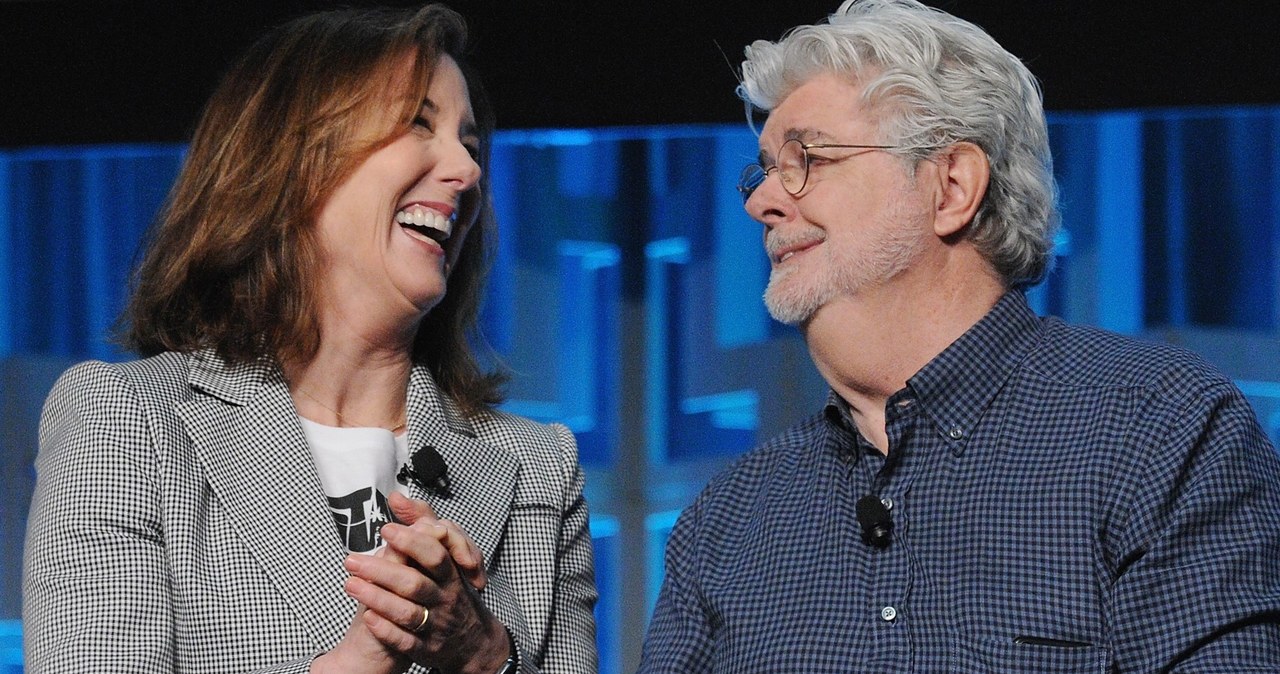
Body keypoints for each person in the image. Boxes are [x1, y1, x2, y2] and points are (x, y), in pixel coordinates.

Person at [638, 0, 1280, 671]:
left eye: (807, 158)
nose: (760, 201)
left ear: (951, 187)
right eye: (764, 169)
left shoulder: (1160, 431)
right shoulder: (727, 521)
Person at [22, 6, 597, 673]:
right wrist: (365, 656)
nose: (466, 170)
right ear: (293, 160)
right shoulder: (128, 424)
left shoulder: (538, 468)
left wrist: (484, 658)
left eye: (471, 142)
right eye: (419, 123)